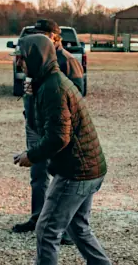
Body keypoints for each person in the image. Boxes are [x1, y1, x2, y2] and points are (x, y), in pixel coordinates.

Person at [2, 34, 116, 265]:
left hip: (76, 172)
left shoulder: (54, 88)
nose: (18, 62)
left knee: (46, 231)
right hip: (89, 168)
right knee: (79, 229)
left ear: (36, 58)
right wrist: (29, 95)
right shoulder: (45, 84)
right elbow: (37, 124)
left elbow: (58, 137)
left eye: (22, 57)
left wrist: (32, 156)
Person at [12, 18, 86, 236]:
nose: (39, 38)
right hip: (34, 125)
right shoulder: (35, 57)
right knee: (37, 174)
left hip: (55, 129)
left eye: (43, 34)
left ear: (55, 37)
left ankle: (63, 226)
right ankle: (37, 218)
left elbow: (76, 96)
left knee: (61, 176)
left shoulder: (67, 61)